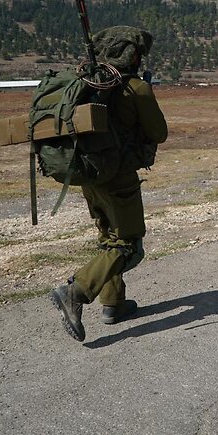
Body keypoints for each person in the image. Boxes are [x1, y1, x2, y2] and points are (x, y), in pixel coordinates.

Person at [50, 26, 169, 342]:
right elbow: (159, 132)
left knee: (109, 238)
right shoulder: (135, 89)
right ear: (133, 55)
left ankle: (113, 303)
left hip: (91, 174)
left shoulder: (89, 82)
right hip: (119, 178)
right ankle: (75, 292)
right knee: (128, 245)